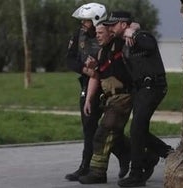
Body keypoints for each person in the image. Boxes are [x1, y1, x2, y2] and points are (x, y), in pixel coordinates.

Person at [103, 11, 173, 187]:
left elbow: (149, 45)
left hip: (153, 87)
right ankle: (165, 154)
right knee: (138, 129)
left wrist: (134, 32)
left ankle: (137, 173)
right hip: (140, 89)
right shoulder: (120, 41)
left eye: (113, 24)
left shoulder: (141, 36)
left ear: (124, 24)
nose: (110, 27)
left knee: (136, 128)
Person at [66, 3, 129, 181]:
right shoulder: (79, 35)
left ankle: (126, 155)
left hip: (110, 85)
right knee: (90, 127)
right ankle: (86, 166)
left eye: (85, 21)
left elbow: (130, 26)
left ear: (95, 21)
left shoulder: (111, 36)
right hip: (89, 82)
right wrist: (86, 71)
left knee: (108, 128)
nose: (83, 24)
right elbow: (69, 59)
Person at [78, 23, 132, 184]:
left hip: (122, 97)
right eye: (96, 33)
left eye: (101, 32)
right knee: (112, 135)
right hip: (109, 99)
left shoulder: (121, 46)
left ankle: (97, 173)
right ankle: (144, 156)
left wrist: (131, 31)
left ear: (111, 32)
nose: (97, 35)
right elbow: (95, 76)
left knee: (104, 133)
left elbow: (134, 25)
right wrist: (88, 100)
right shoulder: (101, 52)